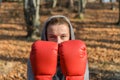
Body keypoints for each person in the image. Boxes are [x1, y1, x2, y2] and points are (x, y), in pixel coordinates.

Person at [27, 15, 89, 80]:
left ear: (70, 37)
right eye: (52, 37)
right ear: (45, 37)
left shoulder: (79, 55)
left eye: (63, 36)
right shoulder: (36, 56)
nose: (58, 42)